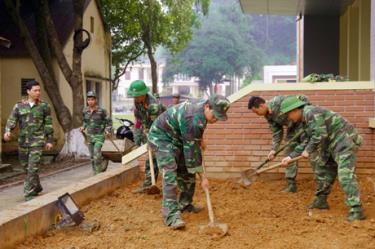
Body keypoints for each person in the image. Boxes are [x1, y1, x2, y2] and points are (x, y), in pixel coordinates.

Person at [148, 94, 230, 229]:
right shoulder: (193, 120)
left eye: (219, 117)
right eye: (215, 115)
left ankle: (185, 204)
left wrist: (200, 139)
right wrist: (203, 177)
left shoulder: (202, 111)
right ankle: (171, 216)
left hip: (179, 136)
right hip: (162, 137)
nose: (215, 119)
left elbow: (194, 137)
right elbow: (192, 156)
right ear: (207, 107)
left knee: (187, 170)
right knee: (170, 173)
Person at [280, 95, 365, 221]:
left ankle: (356, 209)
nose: (288, 118)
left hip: (344, 141)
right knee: (324, 170)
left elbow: (320, 134)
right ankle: (321, 201)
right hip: (330, 144)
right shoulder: (304, 121)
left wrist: (308, 150)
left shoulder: (310, 112)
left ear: (294, 110)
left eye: (288, 114)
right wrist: (290, 156)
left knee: (345, 175)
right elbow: (307, 140)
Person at [4, 80, 54, 201]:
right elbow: (12, 120)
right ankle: (36, 186)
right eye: (35, 90)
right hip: (23, 142)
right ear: (28, 91)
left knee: (33, 168)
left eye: (39, 90)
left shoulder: (44, 106)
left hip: (37, 142)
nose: (38, 93)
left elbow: (48, 124)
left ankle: (29, 195)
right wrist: (7, 131)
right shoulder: (19, 106)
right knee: (26, 168)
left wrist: (50, 140)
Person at [248, 95, 309, 192]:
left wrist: (305, 115)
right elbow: (277, 132)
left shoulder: (279, 101)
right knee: (289, 154)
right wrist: (274, 149)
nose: (257, 114)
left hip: (304, 125)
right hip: (292, 129)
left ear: (261, 106)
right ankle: (291, 185)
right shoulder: (268, 115)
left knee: (310, 149)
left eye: (256, 112)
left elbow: (303, 98)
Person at [128, 80, 166, 193]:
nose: (135, 98)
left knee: (161, 157)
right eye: (134, 96)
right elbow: (139, 120)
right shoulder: (138, 102)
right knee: (151, 157)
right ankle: (148, 185)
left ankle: (171, 186)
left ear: (143, 93)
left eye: (137, 95)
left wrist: (149, 131)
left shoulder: (153, 105)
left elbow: (157, 125)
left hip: (164, 130)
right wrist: (138, 139)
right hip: (150, 129)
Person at [80, 91, 112, 174]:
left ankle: (98, 175)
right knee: (92, 157)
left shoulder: (102, 111)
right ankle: (95, 173)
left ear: (95, 100)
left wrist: (107, 131)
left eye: (92, 99)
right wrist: (83, 127)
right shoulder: (85, 111)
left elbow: (109, 122)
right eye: (88, 100)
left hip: (99, 136)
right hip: (89, 137)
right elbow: (85, 121)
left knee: (96, 155)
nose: (90, 101)